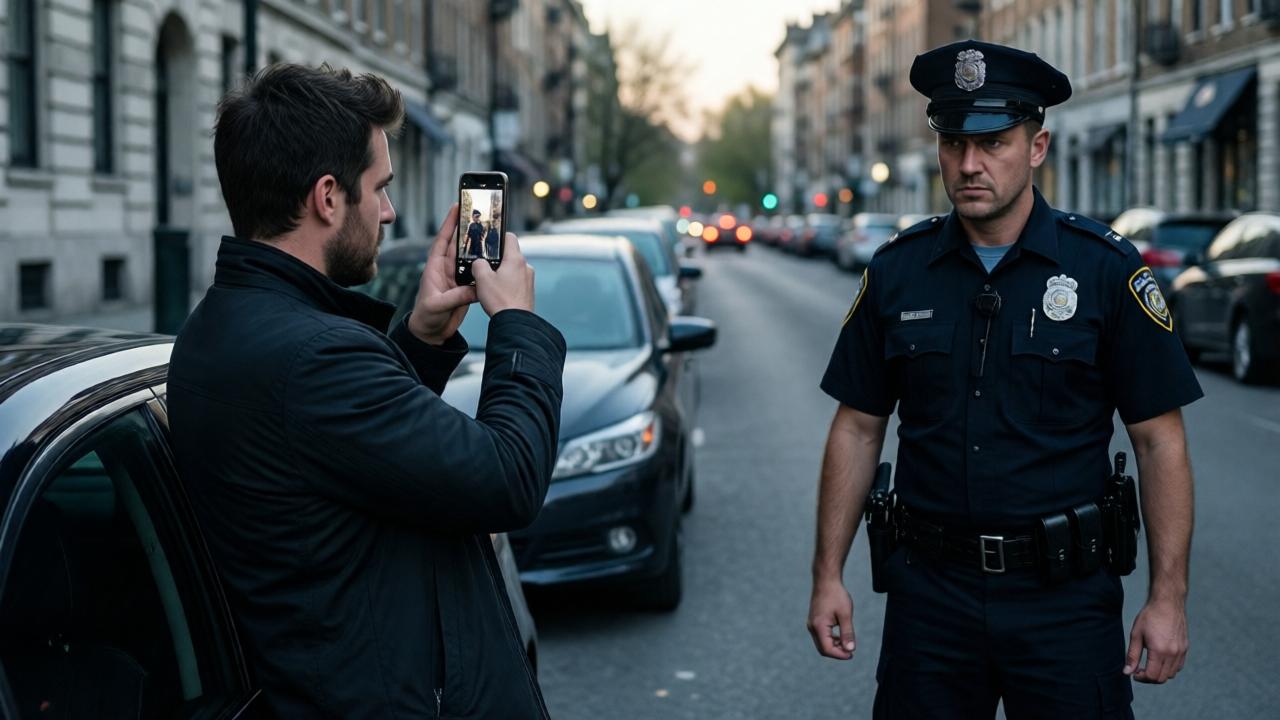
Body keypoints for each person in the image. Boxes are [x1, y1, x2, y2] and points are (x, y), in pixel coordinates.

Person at [806, 40, 1200, 719]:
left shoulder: (1104, 271)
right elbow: (858, 426)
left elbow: (1160, 441)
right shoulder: (898, 271)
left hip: (1065, 604)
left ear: (1037, 146)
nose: (970, 165)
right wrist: (826, 576)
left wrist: (1168, 600)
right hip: (930, 600)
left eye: (993, 143)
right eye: (954, 143)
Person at [168, 63, 564, 719]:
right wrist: (519, 325)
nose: (389, 211)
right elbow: (508, 477)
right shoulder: (311, 356)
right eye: (378, 188)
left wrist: (424, 337)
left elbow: (355, 453)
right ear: (328, 197)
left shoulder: (228, 326)